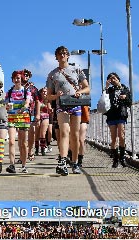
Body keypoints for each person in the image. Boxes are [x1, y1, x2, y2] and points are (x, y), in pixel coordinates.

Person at [46, 46, 90, 175]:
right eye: (60, 54)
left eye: (65, 53)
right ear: (56, 57)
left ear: (68, 56)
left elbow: (87, 88)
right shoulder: (52, 74)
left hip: (75, 104)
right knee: (64, 133)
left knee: (75, 135)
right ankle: (63, 161)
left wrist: (79, 92)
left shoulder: (76, 69)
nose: (62, 55)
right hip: (62, 105)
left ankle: (75, 162)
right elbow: (48, 96)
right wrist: (56, 96)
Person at [5, 70, 31, 173]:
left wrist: (23, 107)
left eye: (19, 78)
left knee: (23, 143)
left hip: (23, 117)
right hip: (12, 116)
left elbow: (27, 103)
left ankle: (24, 165)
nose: (17, 80)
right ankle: (12, 165)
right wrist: (7, 107)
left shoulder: (26, 91)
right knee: (11, 141)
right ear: (12, 80)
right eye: (15, 78)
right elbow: (6, 104)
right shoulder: (9, 92)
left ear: (21, 79)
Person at [104, 72, 132, 168]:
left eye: (114, 78)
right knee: (113, 138)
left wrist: (125, 97)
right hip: (111, 115)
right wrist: (106, 87)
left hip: (121, 114)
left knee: (121, 135)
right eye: (110, 79)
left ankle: (122, 158)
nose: (113, 80)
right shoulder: (110, 90)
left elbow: (129, 103)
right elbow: (104, 99)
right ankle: (115, 159)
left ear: (118, 78)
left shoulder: (125, 89)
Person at [22, 69, 40, 160]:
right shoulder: (17, 87)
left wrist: (38, 114)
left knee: (31, 133)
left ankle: (30, 151)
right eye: (24, 74)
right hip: (20, 114)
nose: (25, 76)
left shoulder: (33, 88)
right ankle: (23, 155)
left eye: (27, 75)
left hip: (31, 112)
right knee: (22, 135)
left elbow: (37, 101)